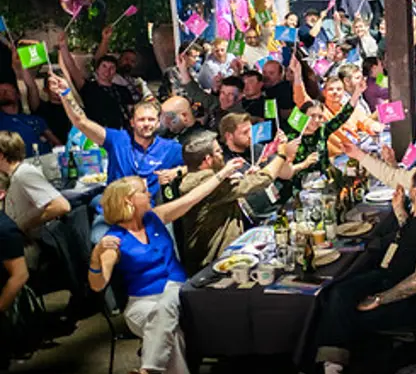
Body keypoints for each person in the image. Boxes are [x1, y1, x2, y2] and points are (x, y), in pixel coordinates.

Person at [277, 163, 416, 374]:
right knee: (329, 295)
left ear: (415, 190)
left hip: (404, 299)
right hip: (384, 276)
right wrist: (399, 213)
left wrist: (381, 299)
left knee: (330, 308)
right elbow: (411, 238)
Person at [89, 160, 247, 374]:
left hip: (178, 293)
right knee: (170, 327)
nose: (149, 193)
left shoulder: (156, 217)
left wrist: (224, 172)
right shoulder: (113, 241)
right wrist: (96, 256)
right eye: (143, 191)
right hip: (142, 303)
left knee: (170, 303)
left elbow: (195, 197)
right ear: (128, 201)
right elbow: (97, 285)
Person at [49, 74, 184, 242]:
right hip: (114, 213)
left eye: (151, 120)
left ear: (158, 123)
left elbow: (198, 165)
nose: (146, 124)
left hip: (147, 213)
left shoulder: (170, 148)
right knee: (99, 241)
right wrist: (66, 93)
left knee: (167, 246)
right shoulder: (117, 139)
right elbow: (81, 122)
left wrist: (177, 171)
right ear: (132, 122)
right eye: (141, 120)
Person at [177, 132, 310, 273]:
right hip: (214, 261)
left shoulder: (197, 178)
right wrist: (282, 155)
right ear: (208, 160)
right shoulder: (208, 184)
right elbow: (262, 179)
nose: (222, 152)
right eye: (218, 151)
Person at [0, 131, 71, 253]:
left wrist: (23, 225)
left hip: (34, 246)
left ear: (1, 155)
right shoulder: (14, 175)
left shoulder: (24, 174)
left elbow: (61, 206)